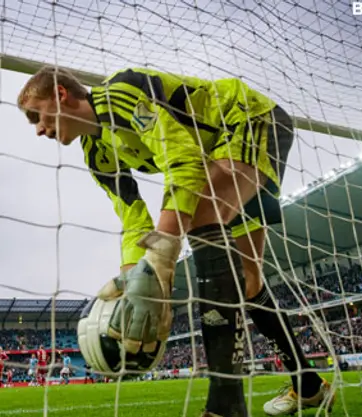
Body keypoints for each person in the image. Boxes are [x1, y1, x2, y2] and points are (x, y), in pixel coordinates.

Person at [18, 66, 334, 416]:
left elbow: (184, 163)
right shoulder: (97, 154)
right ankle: (309, 386)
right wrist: (133, 284)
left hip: (247, 119)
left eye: (36, 115)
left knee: (201, 210)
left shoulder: (117, 95)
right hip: (217, 156)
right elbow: (132, 217)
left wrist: (159, 259)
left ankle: (225, 406)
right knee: (247, 282)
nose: (38, 130)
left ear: (61, 95)